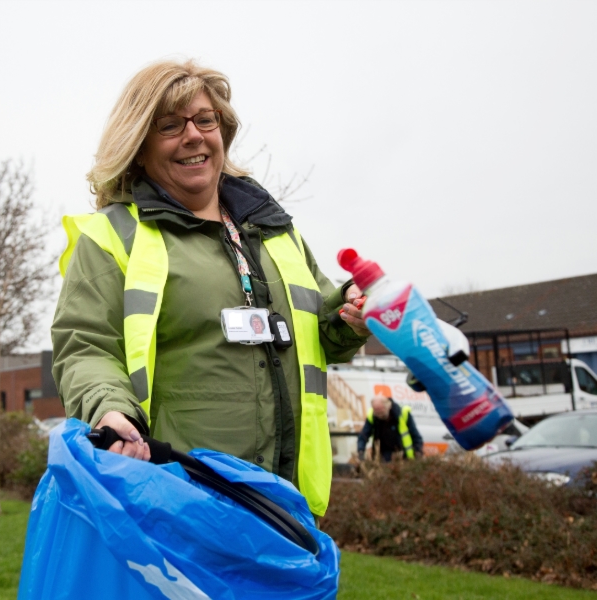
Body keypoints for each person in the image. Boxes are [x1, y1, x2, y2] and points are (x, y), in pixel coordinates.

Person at [52, 59, 370, 517]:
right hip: (179, 501)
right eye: (170, 126)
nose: (194, 135)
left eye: (206, 120)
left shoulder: (275, 231)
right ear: (140, 145)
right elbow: (84, 346)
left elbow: (321, 328)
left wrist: (351, 312)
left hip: (288, 503)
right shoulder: (112, 236)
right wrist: (108, 408)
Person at [357, 395, 423, 462]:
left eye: (381, 413)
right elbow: (363, 436)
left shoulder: (403, 413)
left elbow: (416, 436)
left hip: (404, 454)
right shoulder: (372, 416)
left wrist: (417, 451)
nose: (379, 416)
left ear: (389, 407)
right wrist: (361, 450)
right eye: (377, 413)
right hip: (383, 455)